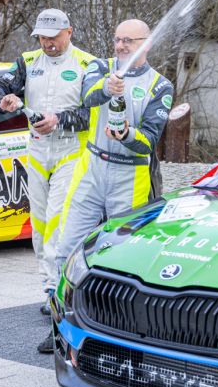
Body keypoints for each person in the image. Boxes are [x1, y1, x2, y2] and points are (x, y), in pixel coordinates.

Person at [46, 19, 174, 353]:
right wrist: (107, 87)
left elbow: (149, 141)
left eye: (129, 41)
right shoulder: (100, 67)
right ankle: (59, 326)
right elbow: (87, 97)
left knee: (125, 258)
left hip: (130, 175)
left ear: (146, 44)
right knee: (66, 248)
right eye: (118, 39)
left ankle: (120, 333)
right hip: (92, 167)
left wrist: (127, 134)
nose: (121, 46)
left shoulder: (160, 85)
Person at [0, 9, 94, 317]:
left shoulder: (88, 64)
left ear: (69, 32)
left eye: (54, 37)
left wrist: (58, 120)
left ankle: (59, 287)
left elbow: (93, 113)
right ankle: (48, 285)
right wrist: (3, 101)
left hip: (71, 151)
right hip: (36, 150)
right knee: (40, 222)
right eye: (42, 38)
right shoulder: (28, 61)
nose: (48, 43)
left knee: (58, 220)